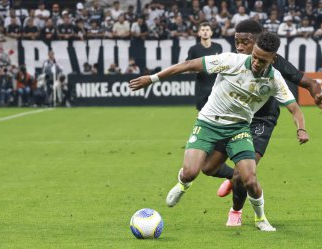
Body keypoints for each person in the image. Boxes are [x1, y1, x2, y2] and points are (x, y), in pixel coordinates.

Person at [130, 31, 309, 232]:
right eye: (255, 57)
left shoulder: (274, 79)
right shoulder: (230, 61)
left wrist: (301, 129)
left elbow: (294, 109)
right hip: (208, 123)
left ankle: (261, 219)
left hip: (239, 128)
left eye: (263, 60)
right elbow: (189, 65)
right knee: (192, 172)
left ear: (273, 59)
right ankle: (183, 183)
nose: (257, 62)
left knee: (249, 178)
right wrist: (153, 79)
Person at [199, 20, 322, 227]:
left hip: (261, 121)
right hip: (233, 119)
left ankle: (236, 211)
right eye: (237, 42)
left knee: (243, 175)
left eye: (245, 42)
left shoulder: (274, 63)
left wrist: (318, 95)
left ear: (258, 42)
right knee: (206, 167)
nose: (239, 47)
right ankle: (233, 178)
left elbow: (310, 83)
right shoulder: (233, 61)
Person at [186, 22, 222, 111]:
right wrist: (197, 69)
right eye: (202, 30)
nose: (205, 32)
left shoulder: (218, 47)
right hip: (201, 88)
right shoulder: (193, 49)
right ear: (199, 33)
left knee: (217, 115)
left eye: (207, 30)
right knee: (202, 115)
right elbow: (187, 67)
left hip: (215, 87)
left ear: (211, 33)